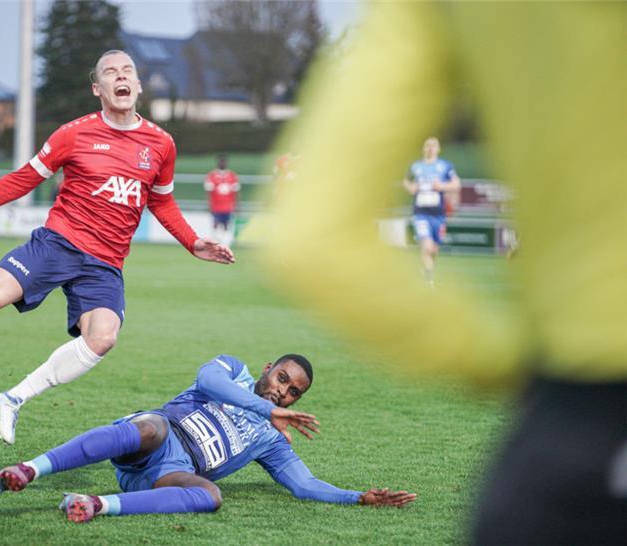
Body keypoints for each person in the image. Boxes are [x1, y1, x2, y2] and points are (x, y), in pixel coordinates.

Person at [262, 3, 625, 545]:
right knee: (428, 247)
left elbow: (312, 234)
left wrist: (515, 361)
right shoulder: (424, 167)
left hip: (588, 396)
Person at [0, 50, 235, 445]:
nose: (121, 76)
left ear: (137, 85)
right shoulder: (73, 134)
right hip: (59, 243)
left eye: (128, 71)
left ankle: (13, 399)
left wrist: (192, 241)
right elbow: (21, 180)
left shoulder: (161, 144)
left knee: (103, 337)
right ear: (97, 89)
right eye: (110, 72)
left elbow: (162, 201)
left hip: (105, 263)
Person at [0, 353, 416, 523]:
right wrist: (266, 410)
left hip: (170, 474)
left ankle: (94, 505)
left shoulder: (272, 440)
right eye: (282, 378)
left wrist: (358, 498)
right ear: (268, 368)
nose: (282, 391)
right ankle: (30, 469)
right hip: (154, 438)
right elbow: (207, 380)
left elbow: (304, 485)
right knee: (152, 425)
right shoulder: (233, 370)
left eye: (292, 392)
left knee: (211, 495)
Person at [402, 137, 460, 286]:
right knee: (426, 245)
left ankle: (425, 268)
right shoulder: (416, 166)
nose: (430, 148)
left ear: (438, 149)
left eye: (434, 146)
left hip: (438, 214)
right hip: (420, 213)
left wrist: (442, 186)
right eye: (428, 145)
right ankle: (429, 281)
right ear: (423, 148)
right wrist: (411, 187)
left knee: (434, 249)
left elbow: (456, 184)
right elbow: (406, 181)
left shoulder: (445, 166)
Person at [203, 154, 240, 246]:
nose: (222, 163)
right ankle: (215, 244)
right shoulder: (212, 175)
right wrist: (208, 204)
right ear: (218, 163)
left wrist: (237, 205)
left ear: (227, 163)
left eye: (224, 162)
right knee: (216, 224)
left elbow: (236, 192)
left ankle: (225, 244)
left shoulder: (232, 176)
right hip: (216, 206)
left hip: (228, 206)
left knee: (227, 225)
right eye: (221, 161)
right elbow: (208, 191)